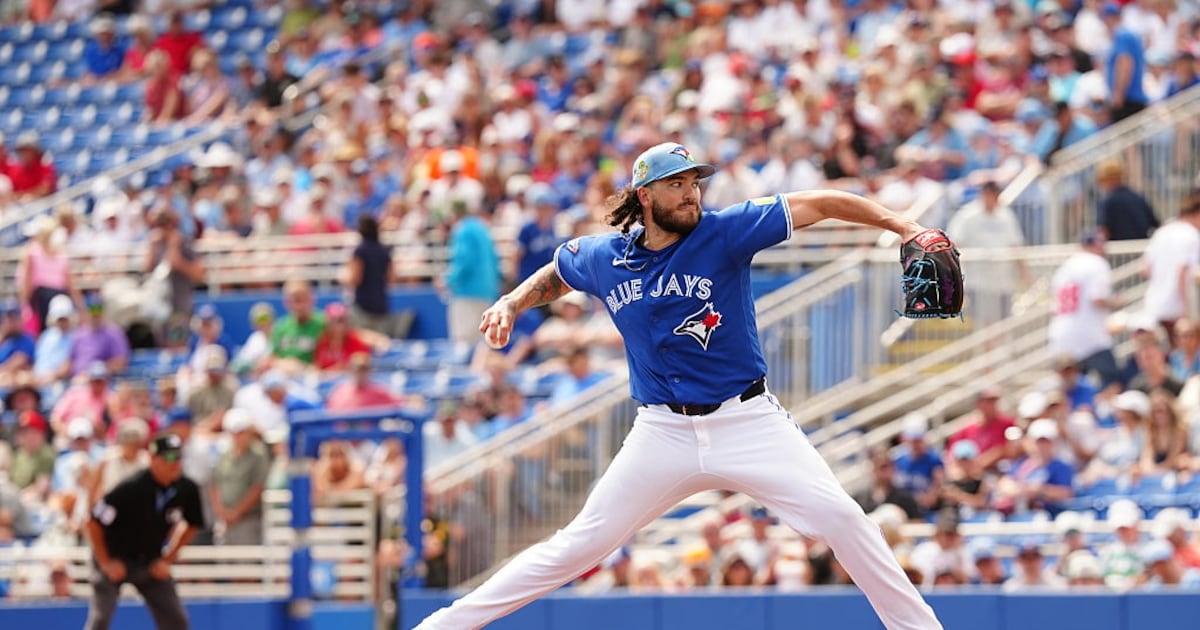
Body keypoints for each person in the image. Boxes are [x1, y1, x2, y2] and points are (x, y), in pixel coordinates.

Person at [414, 142, 944, 629]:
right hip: (662, 430)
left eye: (695, 182)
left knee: (843, 519)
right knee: (578, 545)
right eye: (676, 184)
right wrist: (510, 302)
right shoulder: (605, 257)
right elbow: (558, 271)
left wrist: (901, 225)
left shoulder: (725, 232)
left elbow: (821, 202)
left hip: (747, 419)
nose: (691, 192)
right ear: (645, 196)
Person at [84, 433, 204, 630]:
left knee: (177, 621)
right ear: (153, 459)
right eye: (169, 458)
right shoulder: (131, 488)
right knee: (100, 620)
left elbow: (193, 524)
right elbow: (93, 521)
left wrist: (168, 559)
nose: (175, 463)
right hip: (115, 557)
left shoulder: (186, 489)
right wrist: (106, 562)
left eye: (179, 457)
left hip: (149, 559)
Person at [1048, 230, 1120, 389]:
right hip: (1088, 336)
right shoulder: (1095, 262)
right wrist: (1116, 303)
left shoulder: (1064, 268)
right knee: (1112, 380)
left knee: (1073, 388)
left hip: (1061, 336)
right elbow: (1097, 298)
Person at [1141, 191, 1200, 343]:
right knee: (1182, 354)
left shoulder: (1162, 231)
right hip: (1176, 307)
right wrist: (1186, 310)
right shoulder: (1191, 235)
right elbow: (1181, 272)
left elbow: (1145, 269)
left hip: (1154, 305)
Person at [343, 215, 398, 337]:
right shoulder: (384, 251)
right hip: (381, 303)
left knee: (362, 344)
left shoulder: (360, 251)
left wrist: (344, 278)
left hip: (363, 305)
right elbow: (392, 278)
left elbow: (355, 279)